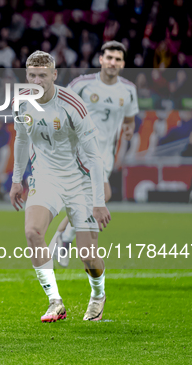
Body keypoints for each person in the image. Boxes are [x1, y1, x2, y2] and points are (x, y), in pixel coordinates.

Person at [9, 51, 111, 322]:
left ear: (54, 75)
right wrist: (16, 180)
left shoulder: (71, 104)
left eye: (43, 75)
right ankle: (55, 301)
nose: (37, 81)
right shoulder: (21, 101)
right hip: (45, 178)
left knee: (88, 257)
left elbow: (94, 157)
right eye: (32, 75)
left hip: (79, 180)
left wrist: (98, 201)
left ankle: (98, 294)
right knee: (32, 232)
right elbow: (20, 140)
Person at [52, 41, 138, 267]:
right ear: (101, 60)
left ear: (123, 63)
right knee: (96, 198)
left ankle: (63, 237)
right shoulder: (82, 84)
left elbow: (129, 119)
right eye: (109, 58)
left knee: (97, 198)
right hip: (80, 151)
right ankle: (65, 239)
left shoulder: (128, 90)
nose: (113, 62)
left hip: (106, 156)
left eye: (118, 59)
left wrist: (129, 129)